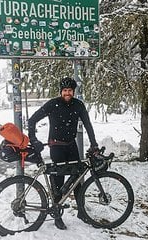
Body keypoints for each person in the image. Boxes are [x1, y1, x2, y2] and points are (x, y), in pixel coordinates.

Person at [28, 77, 98, 230]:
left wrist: (94, 143)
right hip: (56, 147)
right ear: (61, 92)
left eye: (70, 91)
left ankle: (82, 211)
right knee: (58, 181)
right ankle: (57, 216)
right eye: (65, 91)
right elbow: (32, 120)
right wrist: (33, 140)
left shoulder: (78, 105)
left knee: (79, 178)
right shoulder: (53, 104)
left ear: (73, 91)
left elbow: (88, 124)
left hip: (71, 146)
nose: (67, 93)